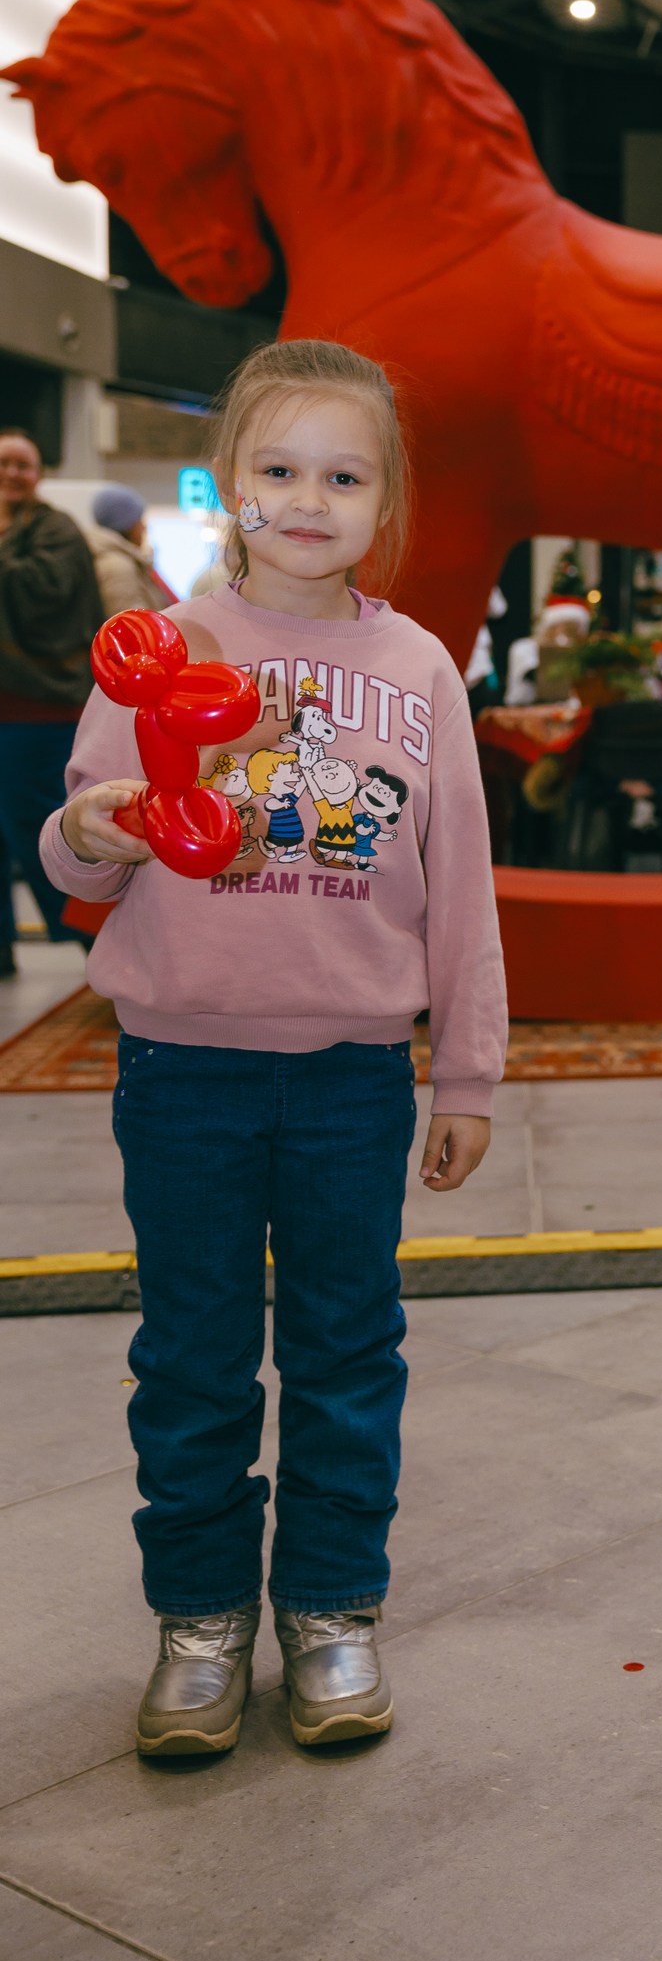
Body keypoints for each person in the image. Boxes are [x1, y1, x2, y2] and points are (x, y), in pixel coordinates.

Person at [42, 341, 505, 1761]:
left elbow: (462, 884)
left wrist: (466, 1071)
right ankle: (198, 1619)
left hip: (351, 1079)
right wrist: (95, 828)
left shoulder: (417, 667)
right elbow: (80, 856)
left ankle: (328, 1605)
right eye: (280, 469)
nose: (309, 500)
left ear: (386, 502)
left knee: (346, 1350)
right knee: (191, 1357)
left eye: (344, 476)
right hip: (181, 1070)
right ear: (229, 482)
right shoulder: (157, 650)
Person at [0, 426, 104, 952]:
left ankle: (93, 937)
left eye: (22, 464)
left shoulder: (55, 529)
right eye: (4, 463)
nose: (12, 473)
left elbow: (47, 592)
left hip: (42, 708)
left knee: (37, 825)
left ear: (38, 474)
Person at [89, 485, 175, 618]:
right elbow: (130, 623)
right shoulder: (118, 567)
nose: (144, 527)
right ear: (127, 524)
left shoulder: (117, 560)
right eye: (139, 520)